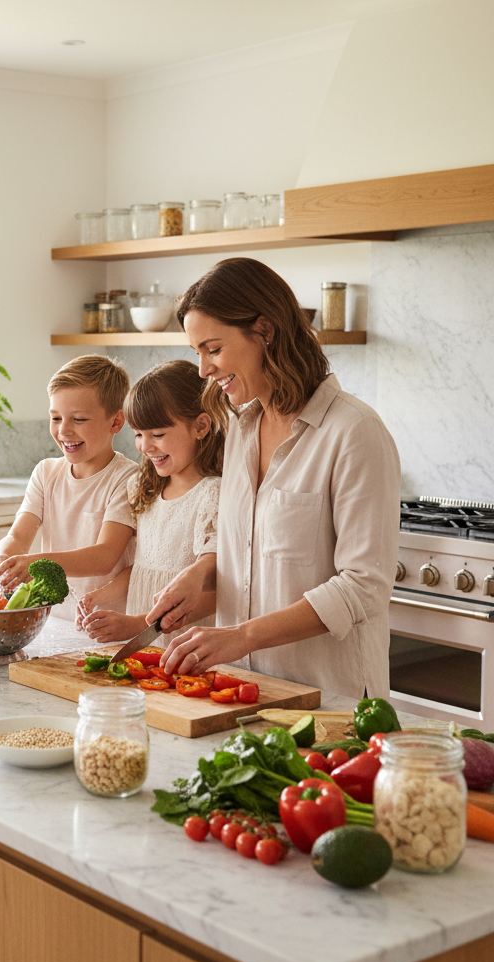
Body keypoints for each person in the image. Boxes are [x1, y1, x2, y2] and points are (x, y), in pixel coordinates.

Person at [150, 257, 400, 699]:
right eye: (197, 352)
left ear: (265, 331)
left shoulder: (354, 431)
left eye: (213, 349)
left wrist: (242, 636)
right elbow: (247, 538)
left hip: (330, 701)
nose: (203, 369)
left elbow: (364, 586)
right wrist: (201, 572)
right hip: (246, 690)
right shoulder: (242, 429)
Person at [76, 360, 225, 645]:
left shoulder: (213, 494)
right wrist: (98, 597)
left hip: (186, 646)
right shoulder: (144, 488)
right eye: (138, 434)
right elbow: (145, 569)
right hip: (146, 643)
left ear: (201, 426)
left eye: (157, 434)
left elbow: (219, 593)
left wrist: (139, 625)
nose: (145, 447)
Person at [0, 354, 137, 622]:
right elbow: (18, 537)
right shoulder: (46, 473)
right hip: (55, 620)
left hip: (108, 624)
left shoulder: (127, 479)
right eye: (56, 418)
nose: (64, 430)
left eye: (78, 419)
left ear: (116, 422)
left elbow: (105, 556)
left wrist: (35, 562)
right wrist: (0, 558)